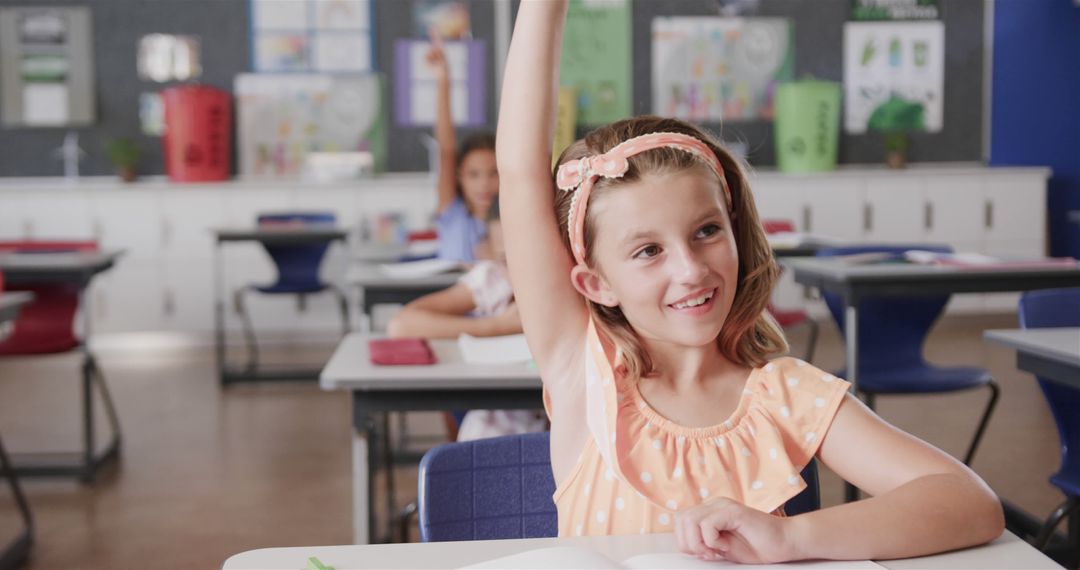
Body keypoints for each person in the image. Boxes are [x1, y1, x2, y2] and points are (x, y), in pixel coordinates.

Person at [494, 1, 1004, 564]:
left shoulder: (784, 394)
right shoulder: (583, 371)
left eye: (707, 230)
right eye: (647, 251)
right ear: (596, 284)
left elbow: (969, 503)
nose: (690, 268)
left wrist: (790, 538)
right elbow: (518, 175)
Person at [387, 200, 545, 442]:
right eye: (505, 260)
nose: (518, 270)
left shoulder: (579, 286)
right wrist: (497, 326)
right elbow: (401, 325)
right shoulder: (493, 281)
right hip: (494, 435)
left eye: (530, 255)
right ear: (489, 252)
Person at [427, 32, 499, 263]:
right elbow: (447, 149)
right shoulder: (453, 213)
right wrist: (443, 80)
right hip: (449, 297)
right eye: (474, 175)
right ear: (459, 177)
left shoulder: (510, 225)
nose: (484, 184)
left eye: (494, 173)